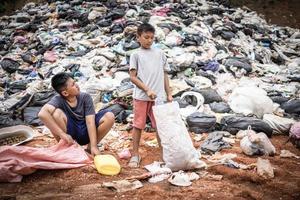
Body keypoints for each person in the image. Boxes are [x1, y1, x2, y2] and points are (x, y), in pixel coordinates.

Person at [38, 72, 115, 156]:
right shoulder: (58, 100)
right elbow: (42, 114)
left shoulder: (85, 97)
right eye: (73, 85)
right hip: (70, 136)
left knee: (109, 116)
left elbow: (90, 122)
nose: (77, 85)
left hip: (86, 133)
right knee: (56, 114)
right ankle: (67, 148)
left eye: (75, 82)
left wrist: (94, 146)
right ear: (65, 93)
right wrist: (62, 134)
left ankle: (89, 149)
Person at [129, 23, 173, 167]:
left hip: (158, 97)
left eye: (152, 38)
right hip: (141, 97)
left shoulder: (160, 54)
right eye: (146, 37)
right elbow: (133, 77)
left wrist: (169, 93)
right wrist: (147, 90)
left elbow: (165, 74)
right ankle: (135, 154)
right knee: (138, 125)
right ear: (138, 37)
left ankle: (164, 155)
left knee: (159, 126)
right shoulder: (135, 55)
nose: (149, 40)